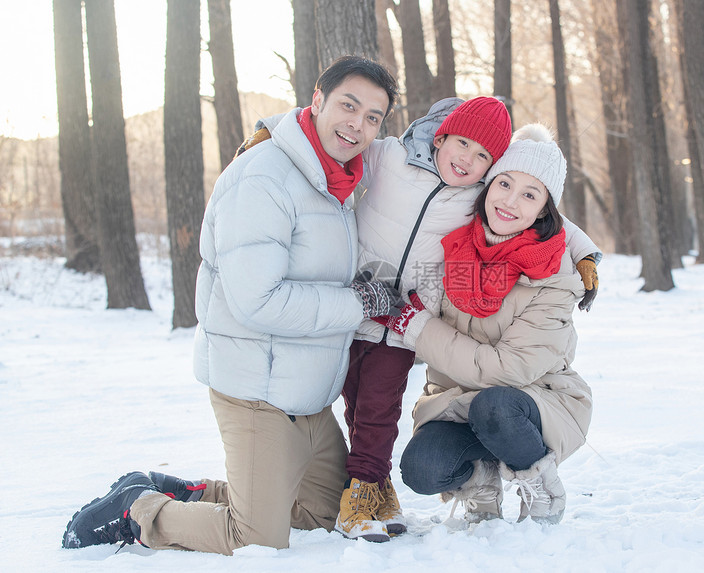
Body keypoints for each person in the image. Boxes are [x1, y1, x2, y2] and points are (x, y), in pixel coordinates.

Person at [61, 56, 402, 555]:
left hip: (305, 394)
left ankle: (187, 492)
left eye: (373, 117)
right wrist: (357, 304)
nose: (359, 124)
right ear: (317, 100)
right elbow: (257, 301)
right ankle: (138, 511)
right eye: (349, 106)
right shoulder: (264, 177)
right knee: (257, 536)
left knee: (325, 515)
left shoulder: (336, 183)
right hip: (256, 389)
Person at [237, 99, 601, 540]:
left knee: (390, 409)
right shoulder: (410, 174)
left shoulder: (507, 226)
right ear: (443, 137)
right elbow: (333, 140)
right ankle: (460, 477)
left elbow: (544, 209)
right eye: (463, 144)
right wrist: (272, 132)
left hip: (443, 342)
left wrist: (583, 254)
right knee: (355, 411)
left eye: (483, 156)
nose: (468, 160)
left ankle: (376, 487)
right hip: (362, 305)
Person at [385, 124, 594, 525]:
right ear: (487, 186)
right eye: (504, 184)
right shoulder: (454, 248)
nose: (510, 202)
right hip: (455, 401)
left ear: (544, 210)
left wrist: (416, 327)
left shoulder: (555, 275)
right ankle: (479, 479)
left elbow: (510, 370)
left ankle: (541, 483)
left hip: (534, 402)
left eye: (529, 195)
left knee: (494, 406)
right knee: (422, 469)